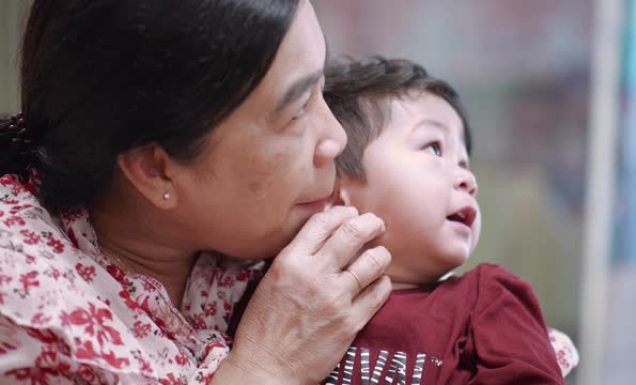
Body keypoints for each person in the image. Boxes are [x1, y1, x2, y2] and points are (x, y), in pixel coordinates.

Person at [0, 1, 394, 384]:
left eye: (321, 91)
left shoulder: (247, 230)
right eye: (296, 111)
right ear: (156, 171)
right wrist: (269, 368)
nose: (337, 139)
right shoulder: (26, 318)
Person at [317, 57, 579, 384]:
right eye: (434, 148)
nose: (468, 179)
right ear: (334, 187)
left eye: (465, 163)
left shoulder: (489, 301)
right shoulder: (285, 297)